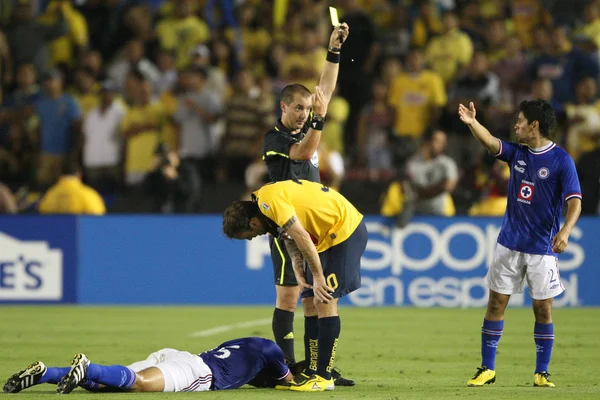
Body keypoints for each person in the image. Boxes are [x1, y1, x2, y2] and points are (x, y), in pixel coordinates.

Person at [458, 100, 582, 388]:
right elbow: (491, 143)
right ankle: (487, 369)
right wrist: (473, 123)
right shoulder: (518, 154)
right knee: (496, 303)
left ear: (534, 126)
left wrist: (565, 231)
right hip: (509, 244)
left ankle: (542, 372)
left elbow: (574, 201)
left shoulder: (562, 160)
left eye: (520, 120)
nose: (516, 125)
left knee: (543, 308)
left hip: (541, 249)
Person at [261, 22, 353, 387]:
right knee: (289, 297)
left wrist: (334, 50)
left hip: (314, 226)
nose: (303, 113)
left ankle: (316, 368)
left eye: (306, 108)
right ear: (283, 106)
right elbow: (305, 151)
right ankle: (285, 370)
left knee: (317, 298)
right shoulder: (275, 138)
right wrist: (317, 118)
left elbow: (326, 88)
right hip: (286, 227)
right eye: (297, 107)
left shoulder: (311, 122)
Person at [222, 179, 368, 391]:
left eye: (248, 236)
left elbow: (302, 237)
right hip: (325, 238)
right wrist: (299, 271)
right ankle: (311, 369)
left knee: (324, 299)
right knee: (309, 300)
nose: (252, 239)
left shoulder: (269, 203)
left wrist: (318, 276)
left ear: (252, 223)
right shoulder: (265, 208)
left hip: (344, 230)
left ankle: (324, 376)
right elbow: (289, 237)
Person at [3, 337, 293, 394]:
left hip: (175, 355)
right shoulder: (271, 350)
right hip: (198, 373)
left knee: (111, 385)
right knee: (138, 384)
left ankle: (45, 373)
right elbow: (289, 380)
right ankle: (88, 367)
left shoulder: (248, 343)